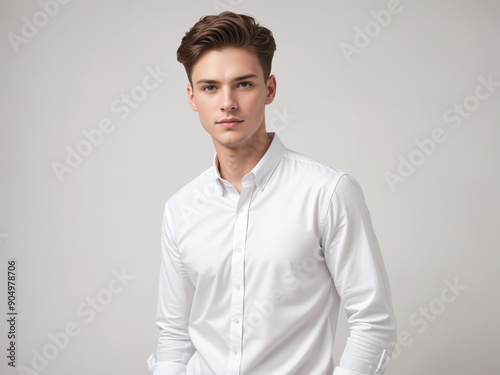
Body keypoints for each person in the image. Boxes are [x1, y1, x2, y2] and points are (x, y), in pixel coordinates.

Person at [147, 11, 397, 375]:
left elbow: (373, 322)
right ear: (192, 97)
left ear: (270, 89)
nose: (227, 103)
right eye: (210, 87)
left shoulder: (327, 193)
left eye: (244, 84)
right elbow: (173, 336)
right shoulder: (181, 208)